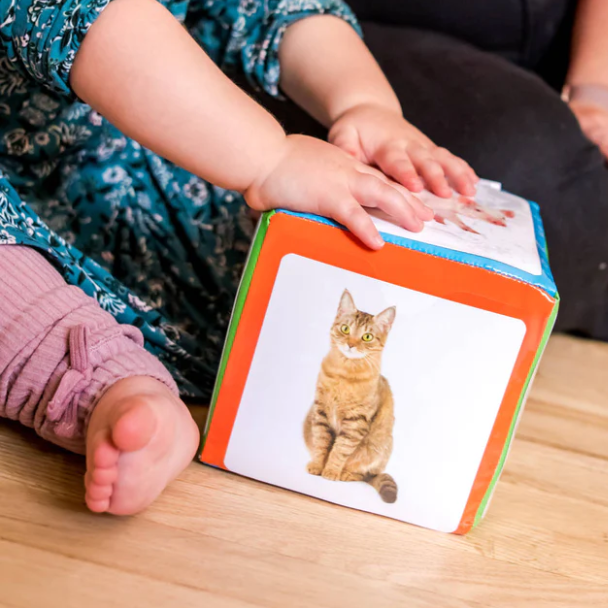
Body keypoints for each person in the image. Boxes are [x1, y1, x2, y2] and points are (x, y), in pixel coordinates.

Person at [0, 0, 477, 514]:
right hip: (21, 226)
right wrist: (271, 160)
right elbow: (99, 22)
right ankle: (113, 386)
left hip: (151, 174)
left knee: (280, 283)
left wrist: (363, 103)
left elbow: (272, 9)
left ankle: (260, 352)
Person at [254, 0, 608, 339]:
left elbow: (292, 13)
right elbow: (269, 14)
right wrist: (272, 161)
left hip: (548, 54)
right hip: (370, 40)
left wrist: (595, 93)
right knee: (548, 187)